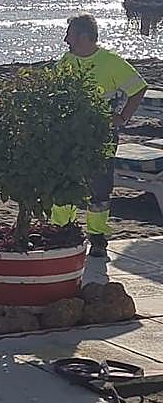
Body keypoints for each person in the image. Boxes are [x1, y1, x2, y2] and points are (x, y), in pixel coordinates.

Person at [51, 13, 147, 256]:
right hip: (70, 134)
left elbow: (138, 88)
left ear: (83, 37)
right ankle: (62, 231)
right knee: (65, 183)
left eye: (69, 35)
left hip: (101, 135)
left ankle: (97, 237)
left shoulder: (111, 62)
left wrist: (122, 117)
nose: (65, 40)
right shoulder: (67, 60)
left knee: (100, 187)